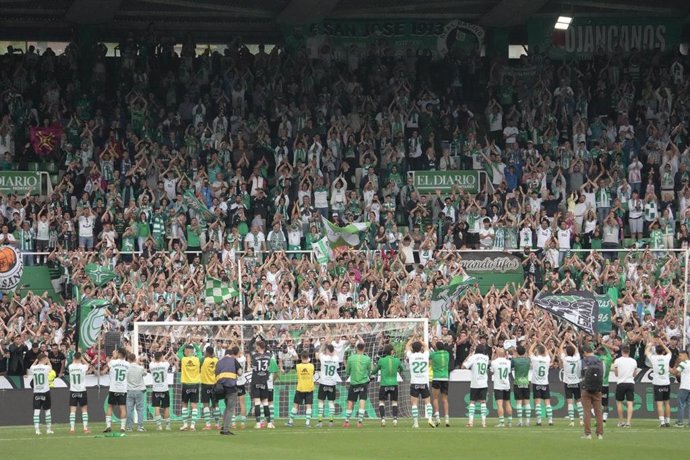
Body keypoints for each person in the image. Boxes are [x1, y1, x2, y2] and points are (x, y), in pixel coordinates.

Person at [406, 336, 434, 428]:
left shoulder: (411, 356)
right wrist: (419, 339)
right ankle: (430, 419)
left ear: (412, 349)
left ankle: (416, 423)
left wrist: (413, 337)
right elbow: (426, 346)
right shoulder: (425, 355)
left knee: (414, 404)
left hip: (414, 382)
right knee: (428, 403)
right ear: (421, 348)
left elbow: (407, 345)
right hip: (424, 382)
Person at [373, 344, 404, 427]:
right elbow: (402, 369)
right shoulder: (397, 360)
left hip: (384, 384)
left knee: (381, 402)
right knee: (394, 402)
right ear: (391, 351)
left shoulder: (381, 360)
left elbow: (374, 371)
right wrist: (397, 369)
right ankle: (395, 419)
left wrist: (372, 370)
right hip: (394, 384)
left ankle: (383, 419)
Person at [343, 342, 372, 428]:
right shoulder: (367, 359)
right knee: (362, 401)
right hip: (363, 383)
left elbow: (347, 372)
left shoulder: (350, 358)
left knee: (350, 402)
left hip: (354, 383)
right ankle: (359, 422)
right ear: (364, 349)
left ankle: (346, 421)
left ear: (356, 349)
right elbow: (370, 371)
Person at [216, 346, 242, 436]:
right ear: (231, 354)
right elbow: (240, 372)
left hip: (221, 388)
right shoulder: (233, 360)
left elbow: (216, 374)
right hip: (231, 388)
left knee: (227, 408)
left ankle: (223, 426)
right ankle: (225, 429)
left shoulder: (219, 362)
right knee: (230, 409)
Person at [646, 338, 672, 427]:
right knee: (667, 403)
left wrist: (650, 344)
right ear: (663, 351)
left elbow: (646, 352)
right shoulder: (666, 358)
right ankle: (668, 421)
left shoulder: (654, 358)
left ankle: (662, 422)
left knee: (659, 403)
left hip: (657, 383)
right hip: (666, 383)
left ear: (656, 351)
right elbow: (670, 352)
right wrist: (663, 344)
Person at [463, 344, 490, 428]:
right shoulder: (486, 358)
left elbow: (463, 366)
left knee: (472, 402)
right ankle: (484, 422)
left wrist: (470, 355)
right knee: (483, 402)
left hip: (475, 383)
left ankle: (470, 422)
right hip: (484, 383)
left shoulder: (473, 357)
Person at [249, 340, 274, 429]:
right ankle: (269, 423)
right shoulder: (269, 355)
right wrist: (262, 338)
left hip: (256, 380)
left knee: (257, 402)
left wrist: (255, 337)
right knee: (265, 402)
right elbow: (268, 346)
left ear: (259, 347)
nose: (255, 347)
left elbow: (249, 346)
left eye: (256, 345)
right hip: (264, 381)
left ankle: (258, 423)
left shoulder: (254, 355)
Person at [611, 345, 638, 427]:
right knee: (630, 403)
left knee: (619, 403)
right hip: (630, 383)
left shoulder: (617, 360)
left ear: (622, 352)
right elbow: (634, 374)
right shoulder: (633, 361)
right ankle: (628, 422)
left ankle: (621, 421)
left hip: (621, 383)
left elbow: (616, 374)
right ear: (629, 352)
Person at [580, 346, 604, 440]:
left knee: (587, 411)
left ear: (585, 352)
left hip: (586, 388)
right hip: (597, 389)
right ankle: (600, 434)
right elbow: (602, 373)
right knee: (598, 412)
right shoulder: (599, 360)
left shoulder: (584, 360)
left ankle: (588, 434)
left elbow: (581, 373)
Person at [104, 348, 129, 433]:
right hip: (123, 388)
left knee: (110, 407)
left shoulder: (113, 362)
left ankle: (108, 426)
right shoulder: (127, 364)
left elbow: (108, 364)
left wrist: (114, 357)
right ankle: (122, 427)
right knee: (122, 408)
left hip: (113, 388)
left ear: (118, 353)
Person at [287, 351, 315, 427]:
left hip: (300, 388)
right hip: (309, 388)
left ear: (301, 357)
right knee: (308, 406)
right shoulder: (312, 366)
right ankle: (307, 422)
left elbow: (294, 360)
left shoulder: (298, 366)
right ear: (308, 357)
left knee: (295, 405)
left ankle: (290, 421)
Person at [559, 341, 583, 427]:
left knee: (570, 402)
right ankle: (581, 420)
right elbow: (576, 350)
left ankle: (572, 421)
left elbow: (560, 349)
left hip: (568, 382)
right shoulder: (576, 358)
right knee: (579, 401)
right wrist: (570, 341)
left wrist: (564, 341)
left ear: (566, 352)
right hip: (576, 382)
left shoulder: (565, 359)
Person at [316, 343, 340, 428]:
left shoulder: (323, 357)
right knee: (331, 402)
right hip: (332, 383)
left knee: (321, 401)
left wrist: (324, 344)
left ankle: (320, 421)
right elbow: (335, 353)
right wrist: (332, 350)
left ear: (327, 350)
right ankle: (331, 421)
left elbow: (318, 354)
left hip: (323, 382)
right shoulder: (336, 358)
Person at [529, 343, 554, 426]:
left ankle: (539, 421)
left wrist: (535, 343)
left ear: (538, 351)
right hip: (545, 383)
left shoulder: (535, 359)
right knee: (547, 403)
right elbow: (546, 351)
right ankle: (550, 420)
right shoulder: (547, 359)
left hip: (536, 383)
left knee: (538, 403)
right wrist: (542, 344)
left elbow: (529, 351)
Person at [430, 341, 452, 427]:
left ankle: (437, 417)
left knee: (435, 398)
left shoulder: (434, 355)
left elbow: (429, 356)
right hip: (445, 378)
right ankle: (447, 419)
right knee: (445, 399)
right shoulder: (447, 354)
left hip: (436, 378)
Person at [179, 344, 201, 431]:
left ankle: (185, 424)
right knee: (194, 405)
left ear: (187, 351)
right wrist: (195, 344)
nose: (184, 352)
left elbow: (179, 352)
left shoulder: (184, 359)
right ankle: (192, 425)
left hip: (186, 384)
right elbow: (199, 351)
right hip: (195, 384)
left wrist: (184, 344)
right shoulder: (197, 359)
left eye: (185, 351)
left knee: (184, 404)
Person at [30, 353, 53, 435]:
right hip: (45, 391)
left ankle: (37, 430)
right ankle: (48, 429)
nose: (47, 359)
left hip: (36, 392)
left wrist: (36, 360)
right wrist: (49, 361)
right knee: (47, 411)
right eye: (46, 358)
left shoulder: (33, 368)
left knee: (36, 411)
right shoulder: (46, 367)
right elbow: (51, 368)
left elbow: (31, 367)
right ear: (43, 359)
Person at [68, 352, 90, 433]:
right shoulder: (83, 367)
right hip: (82, 390)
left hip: (73, 390)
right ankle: (85, 428)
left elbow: (73, 362)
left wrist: (76, 358)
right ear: (80, 358)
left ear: (74, 358)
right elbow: (87, 364)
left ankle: (72, 429)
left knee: (72, 410)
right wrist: (82, 359)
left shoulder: (70, 367)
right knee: (84, 410)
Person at [149, 351, 171, 431]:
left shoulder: (151, 365)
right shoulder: (165, 364)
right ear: (161, 357)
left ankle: (159, 426)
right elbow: (165, 361)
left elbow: (153, 361)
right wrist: (163, 358)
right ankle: (168, 426)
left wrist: (155, 359)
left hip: (156, 389)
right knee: (166, 407)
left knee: (156, 407)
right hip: (164, 389)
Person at [490, 348, 512, 427]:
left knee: (499, 404)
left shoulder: (494, 362)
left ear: (497, 353)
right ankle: (509, 422)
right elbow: (509, 371)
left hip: (498, 385)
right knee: (507, 403)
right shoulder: (508, 362)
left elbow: (492, 371)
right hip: (506, 385)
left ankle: (502, 422)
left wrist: (493, 355)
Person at [200, 346, 221, 430]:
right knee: (215, 404)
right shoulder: (216, 360)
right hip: (215, 384)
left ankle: (208, 424)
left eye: (205, 352)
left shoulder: (203, 360)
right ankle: (217, 424)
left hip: (205, 384)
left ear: (207, 353)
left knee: (206, 404)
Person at [511, 345, 532, 426]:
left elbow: (511, 366)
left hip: (518, 382)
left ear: (517, 352)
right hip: (526, 382)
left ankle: (520, 421)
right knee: (527, 402)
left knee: (519, 403)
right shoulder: (528, 360)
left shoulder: (514, 360)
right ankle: (528, 421)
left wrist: (514, 355)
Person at [125, 353, 146, 432]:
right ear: (135, 359)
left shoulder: (127, 368)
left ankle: (129, 427)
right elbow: (145, 373)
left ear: (129, 359)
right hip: (139, 390)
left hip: (130, 390)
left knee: (129, 409)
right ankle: (140, 426)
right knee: (140, 409)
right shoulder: (140, 368)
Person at [596, 344, 614, 423]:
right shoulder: (609, 359)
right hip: (605, 384)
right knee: (605, 401)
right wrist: (603, 344)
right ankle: (604, 418)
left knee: (596, 401)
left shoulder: (598, 359)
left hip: (598, 384)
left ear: (600, 352)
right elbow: (608, 353)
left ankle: (597, 415)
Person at [672, 350, 690, 427]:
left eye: (680, 355)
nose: (679, 357)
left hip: (684, 387)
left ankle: (680, 422)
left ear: (685, 355)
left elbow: (674, 372)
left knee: (681, 404)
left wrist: (671, 367)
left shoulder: (683, 363)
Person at [232, 347, 248, 429]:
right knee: (242, 404)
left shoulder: (231, 360)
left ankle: (233, 423)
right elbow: (241, 353)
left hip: (233, 383)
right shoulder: (243, 359)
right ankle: (242, 423)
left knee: (233, 404)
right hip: (241, 383)